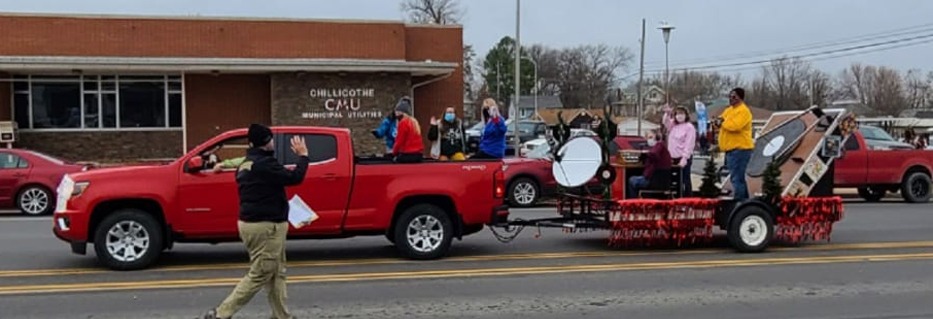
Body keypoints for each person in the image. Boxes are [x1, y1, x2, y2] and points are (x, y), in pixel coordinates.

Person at [203, 124, 309, 319]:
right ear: (265, 143)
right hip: (267, 227)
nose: (273, 142)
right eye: (270, 139)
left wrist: (223, 164)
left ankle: (281, 315)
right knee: (260, 273)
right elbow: (295, 177)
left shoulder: (247, 163)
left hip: (254, 224)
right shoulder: (265, 165)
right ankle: (221, 314)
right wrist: (303, 156)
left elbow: (242, 162)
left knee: (277, 272)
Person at [717, 88, 754, 200]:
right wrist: (718, 122)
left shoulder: (743, 111)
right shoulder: (729, 110)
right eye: (730, 96)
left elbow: (734, 126)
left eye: (734, 97)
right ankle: (745, 201)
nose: (731, 99)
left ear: (740, 98)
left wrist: (722, 122)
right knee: (736, 178)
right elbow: (720, 119)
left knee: (737, 178)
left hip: (740, 149)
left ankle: (740, 201)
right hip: (730, 150)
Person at [663, 105, 697, 197]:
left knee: (685, 180)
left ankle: (687, 199)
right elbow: (665, 123)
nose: (679, 116)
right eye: (677, 114)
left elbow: (689, 144)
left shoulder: (689, 127)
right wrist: (667, 113)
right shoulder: (673, 126)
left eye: (681, 113)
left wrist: (685, 158)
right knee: (675, 181)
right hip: (672, 157)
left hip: (683, 158)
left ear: (686, 115)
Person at [627, 129, 672, 199]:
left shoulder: (658, 146)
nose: (649, 140)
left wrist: (646, 155)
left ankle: (634, 201)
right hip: (663, 182)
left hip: (652, 181)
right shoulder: (663, 148)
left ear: (656, 136)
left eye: (651, 137)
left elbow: (654, 155)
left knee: (631, 180)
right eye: (648, 138)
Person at [392, 97, 425, 163]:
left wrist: (394, 152)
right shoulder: (414, 122)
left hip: (407, 154)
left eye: (397, 111)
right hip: (418, 154)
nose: (396, 113)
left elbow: (399, 140)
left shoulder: (403, 122)